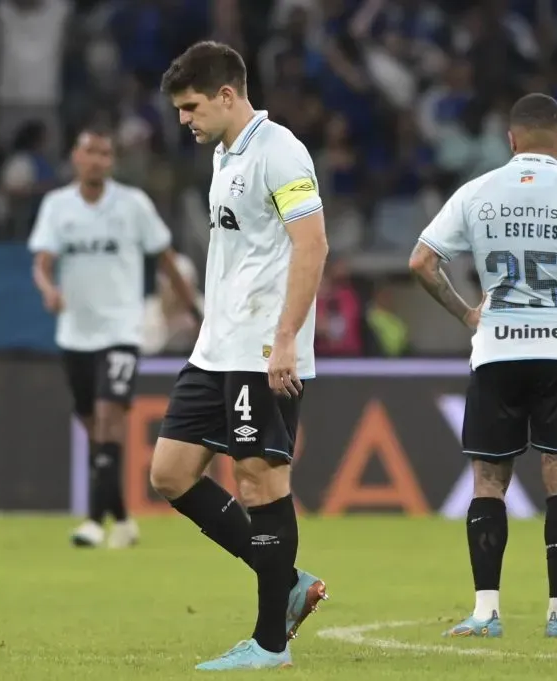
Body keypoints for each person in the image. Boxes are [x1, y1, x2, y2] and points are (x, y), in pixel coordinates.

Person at [408, 93, 557, 639]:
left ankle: (486, 612)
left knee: (488, 483)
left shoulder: (478, 191)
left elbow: (421, 261)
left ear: (510, 140)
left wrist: (467, 314)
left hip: (498, 352)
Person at [150, 41, 329, 671]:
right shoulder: (226, 153)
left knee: (259, 482)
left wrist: (284, 340)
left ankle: (270, 645)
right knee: (169, 474)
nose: (184, 120)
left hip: (259, 348)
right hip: (215, 347)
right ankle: (289, 581)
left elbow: (312, 246)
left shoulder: (279, 152)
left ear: (228, 94)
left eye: (192, 107)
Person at [28, 127, 200, 550]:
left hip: (121, 331)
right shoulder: (57, 206)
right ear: (76, 157)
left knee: (108, 417)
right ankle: (122, 520)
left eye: (105, 154)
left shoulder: (133, 205)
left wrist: (196, 310)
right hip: (75, 333)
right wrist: (48, 290)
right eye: (90, 152)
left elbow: (167, 260)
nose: (97, 160)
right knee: (95, 428)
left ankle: (92, 521)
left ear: (112, 162)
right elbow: (42, 262)